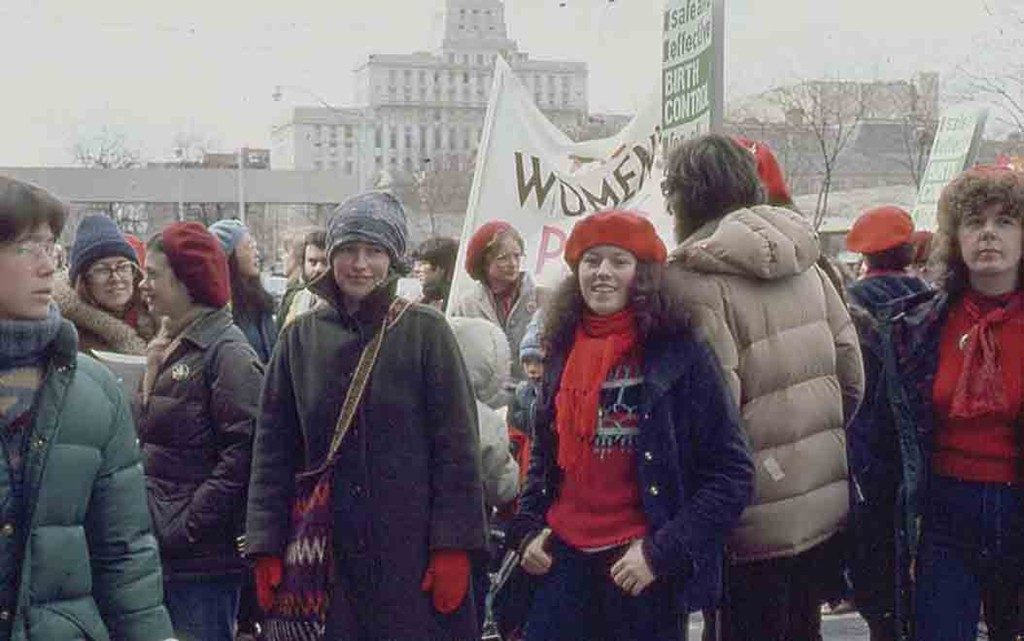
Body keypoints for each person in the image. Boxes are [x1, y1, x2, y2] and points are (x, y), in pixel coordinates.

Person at [245, 191, 487, 641]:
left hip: (410, 556)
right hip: (326, 558)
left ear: (393, 259)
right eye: (348, 250)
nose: (360, 264)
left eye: (374, 251)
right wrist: (266, 544)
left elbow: (457, 449)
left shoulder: (426, 333)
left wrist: (454, 545)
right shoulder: (299, 338)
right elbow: (273, 450)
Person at [506, 210, 754, 641]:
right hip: (564, 559)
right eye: (592, 260)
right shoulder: (560, 347)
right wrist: (527, 530)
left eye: (619, 261)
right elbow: (544, 455)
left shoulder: (682, 352)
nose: (603, 273)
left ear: (643, 275)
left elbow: (732, 474)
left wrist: (661, 554)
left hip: (639, 569)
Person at [662, 134, 864, 641]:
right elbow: (852, 375)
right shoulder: (808, 261)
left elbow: (712, 415)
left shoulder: (693, 279)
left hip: (743, 513)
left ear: (680, 197)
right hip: (819, 500)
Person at [0, 176, 173, 640]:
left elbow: (126, 557)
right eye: (25, 247)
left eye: (50, 247)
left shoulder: (93, 390)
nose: (45, 267)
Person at [877, 165, 1024, 641]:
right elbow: (888, 436)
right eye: (974, 221)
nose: (987, 234)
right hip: (945, 514)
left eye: (1005, 222)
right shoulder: (918, 325)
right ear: (955, 237)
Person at [134, 222, 264, 641]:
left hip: (201, 563)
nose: (143, 285)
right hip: (167, 554)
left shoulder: (227, 354)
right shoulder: (168, 346)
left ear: (187, 279)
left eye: (153, 274)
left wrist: (187, 525)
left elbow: (245, 453)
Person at [842, 205, 931, 641]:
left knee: (875, 575)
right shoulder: (931, 306)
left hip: (863, 460)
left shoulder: (844, 310)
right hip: (919, 458)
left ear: (865, 259)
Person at [449, 220, 549, 384]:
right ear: (484, 262)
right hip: (484, 399)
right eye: (503, 258)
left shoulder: (544, 299)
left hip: (532, 397)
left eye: (517, 256)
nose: (513, 264)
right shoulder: (466, 306)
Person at [54, 214, 155, 354]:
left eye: (122, 266)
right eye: (102, 269)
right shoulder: (67, 334)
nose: (115, 277)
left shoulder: (161, 318)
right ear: (83, 281)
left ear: (135, 273)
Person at [208, 219, 277, 362]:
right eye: (249, 246)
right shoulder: (220, 312)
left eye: (255, 246)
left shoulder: (261, 302)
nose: (256, 253)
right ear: (229, 256)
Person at [277, 229, 328, 330]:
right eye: (312, 262)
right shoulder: (295, 299)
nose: (318, 269)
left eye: (325, 262)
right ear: (303, 263)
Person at [414, 236, 459, 310]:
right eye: (416, 264)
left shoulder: (454, 303)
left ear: (442, 267)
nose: (416, 269)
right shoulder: (426, 299)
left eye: (423, 263)